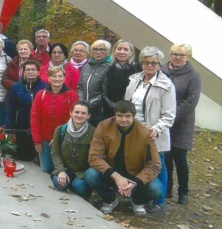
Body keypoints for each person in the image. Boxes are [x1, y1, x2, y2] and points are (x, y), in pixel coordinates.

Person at [85, 100, 163, 216]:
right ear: (115, 115)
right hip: (110, 172)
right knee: (90, 175)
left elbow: (154, 165)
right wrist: (116, 176)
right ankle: (110, 198)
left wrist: (136, 182)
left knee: (157, 189)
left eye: (127, 116)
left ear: (134, 116)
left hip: (135, 175)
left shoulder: (145, 133)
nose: (123, 119)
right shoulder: (103, 127)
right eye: (120, 116)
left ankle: (137, 200)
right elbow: (94, 157)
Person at [124, 46, 176, 212]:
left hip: (153, 133)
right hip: (133, 131)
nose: (150, 65)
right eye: (146, 62)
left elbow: (169, 115)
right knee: (138, 164)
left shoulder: (166, 85)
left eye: (154, 63)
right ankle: (140, 195)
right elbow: (127, 104)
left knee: (158, 165)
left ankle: (160, 202)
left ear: (160, 65)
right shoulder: (135, 80)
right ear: (142, 63)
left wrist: (156, 129)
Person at [162, 43, 201, 204]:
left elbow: (191, 101)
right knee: (166, 156)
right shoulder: (162, 71)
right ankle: (167, 189)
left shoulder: (193, 75)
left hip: (182, 122)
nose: (177, 57)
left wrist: (172, 115)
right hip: (163, 120)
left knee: (180, 157)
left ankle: (183, 191)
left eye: (181, 55)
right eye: (174, 54)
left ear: (188, 57)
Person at [30, 67, 79, 173]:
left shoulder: (72, 95)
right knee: (46, 169)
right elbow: (35, 118)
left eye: (60, 76)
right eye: (54, 76)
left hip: (63, 138)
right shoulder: (41, 94)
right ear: (49, 78)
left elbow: (73, 119)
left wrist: (59, 135)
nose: (57, 79)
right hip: (45, 139)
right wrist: (37, 141)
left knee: (60, 168)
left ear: (64, 78)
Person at [4, 59, 47, 162]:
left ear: (38, 72)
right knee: (23, 158)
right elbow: (11, 107)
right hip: (21, 127)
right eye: (28, 70)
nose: (30, 72)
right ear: (23, 72)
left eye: (33, 69)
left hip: (39, 127)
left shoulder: (45, 87)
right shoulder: (17, 87)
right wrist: (9, 127)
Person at [50, 101, 95, 197]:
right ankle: (69, 183)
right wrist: (61, 171)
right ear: (71, 113)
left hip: (82, 172)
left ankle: (77, 185)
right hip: (66, 169)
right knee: (59, 184)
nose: (79, 115)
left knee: (79, 187)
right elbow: (55, 153)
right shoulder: (61, 130)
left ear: (88, 116)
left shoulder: (94, 132)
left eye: (83, 113)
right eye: (76, 112)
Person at [102, 39, 138, 119]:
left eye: (126, 49)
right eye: (119, 49)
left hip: (132, 112)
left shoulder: (137, 70)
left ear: (131, 53)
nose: (122, 52)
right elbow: (104, 93)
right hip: (110, 112)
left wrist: (128, 108)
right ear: (114, 51)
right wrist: (117, 108)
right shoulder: (107, 70)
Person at [78, 39, 112, 125]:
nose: (98, 52)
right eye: (95, 49)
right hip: (84, 108)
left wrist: (90, 103)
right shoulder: (86, 67)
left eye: (102, 50)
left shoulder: (109, 68)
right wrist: (81, 101)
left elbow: (106, 92)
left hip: (101, 110)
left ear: (107, 52)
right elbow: (80, 86)